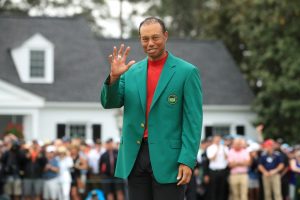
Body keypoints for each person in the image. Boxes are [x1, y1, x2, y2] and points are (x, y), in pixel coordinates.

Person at [100, 16, 203, 200]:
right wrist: (113, 78)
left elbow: (193, 121)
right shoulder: (130, 72)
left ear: (165, 36)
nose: (150, 43)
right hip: (134, 156)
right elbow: (110, 102)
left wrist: (187, 160)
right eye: (144, 39)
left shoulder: (187, 72)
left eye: (155, 37)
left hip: (169, 159)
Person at [206, 135, 229, 200]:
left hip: (223, 170)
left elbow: (227, 157)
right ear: (214, 139)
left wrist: (223, 148)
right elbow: (211, 158)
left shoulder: (225, 147)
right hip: (214, 171)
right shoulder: (210, 148)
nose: (218, 140)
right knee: (214, 188)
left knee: (222, 188)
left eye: (219, 139)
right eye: (216, 139)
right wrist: (217, 149)